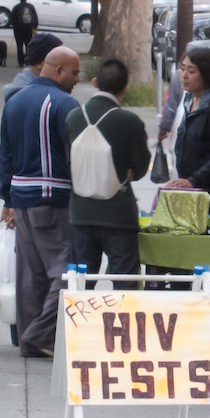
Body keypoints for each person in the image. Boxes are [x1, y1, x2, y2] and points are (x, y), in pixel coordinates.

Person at [0, 46, 82, 358]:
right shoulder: (65, 103)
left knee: (30, 273)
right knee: (64, 270)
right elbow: (78, 153)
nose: (77, 78)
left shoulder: (14, 100)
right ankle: (39, 334)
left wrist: (7, 200)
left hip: (22, 198)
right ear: (57, 70)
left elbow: (6, 155)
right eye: (74, 72)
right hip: (52, 196)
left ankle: (30, 336)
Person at [65, 58, 151, 288]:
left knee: (81, 284)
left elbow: (67, 163)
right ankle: (120, 324)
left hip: (80, 213)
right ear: (125, 87)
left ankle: (81, 325)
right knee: (125, 283)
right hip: (118, 215)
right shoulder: (130, 122)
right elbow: (141, 167)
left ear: (94, 82)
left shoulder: (73, 118)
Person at [165, 46, 210, 214]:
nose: (184, 75)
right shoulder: (190, 98)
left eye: (191, 71)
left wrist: (194, 180)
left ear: (207, 73)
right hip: (191, 189)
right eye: (182, 69)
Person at [2, 32, 63, 102]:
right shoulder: (30, 98)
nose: (63, 64)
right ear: (40, 63)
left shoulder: (29, 86)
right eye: (58, 59)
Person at [10, 0, 39, 67]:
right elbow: (35, 19)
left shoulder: (16, 7)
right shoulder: (31, 7)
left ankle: (20, 62)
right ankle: (27, 60)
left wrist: (15, 26)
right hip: (28, 29)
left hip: (18, 29)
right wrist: (34, 29)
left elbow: (12, 20)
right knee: (28, 45)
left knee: (19, 45)